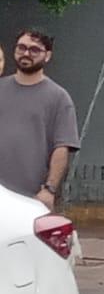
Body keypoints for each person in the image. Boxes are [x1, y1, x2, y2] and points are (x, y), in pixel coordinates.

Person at [0, 30, 80, 209]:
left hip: (31, 197)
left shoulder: (59, 98)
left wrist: (49, 189)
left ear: (48, 56)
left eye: (34, 50)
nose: (26, 53)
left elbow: (62, 148)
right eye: (21, 47)